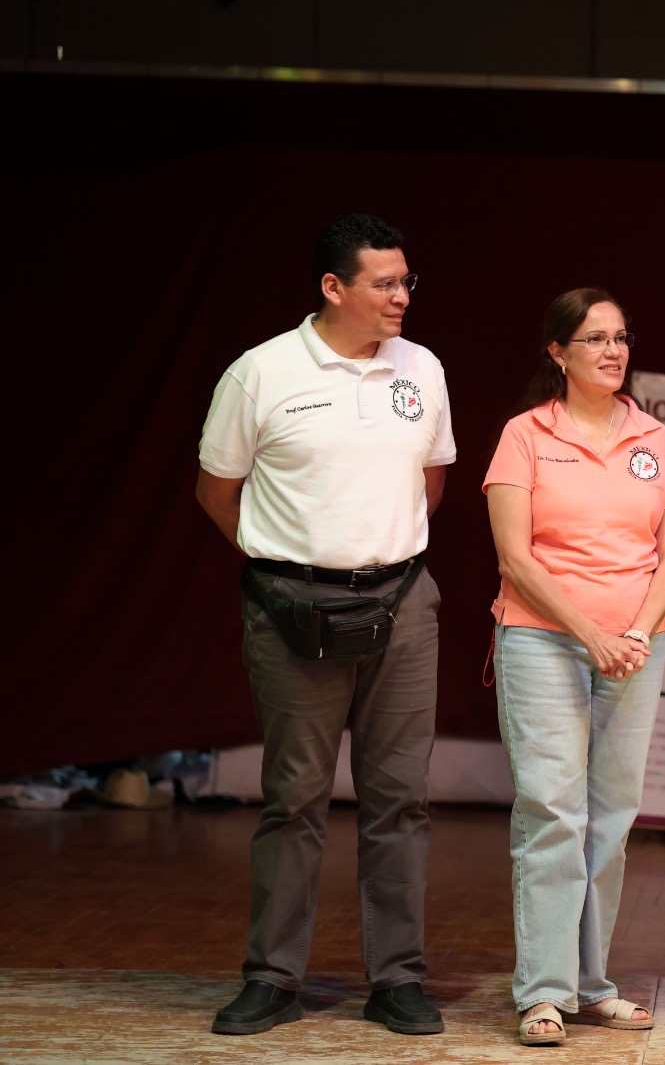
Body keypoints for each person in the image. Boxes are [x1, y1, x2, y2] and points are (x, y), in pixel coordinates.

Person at [197, 213, 455, 1036]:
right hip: (292, 610)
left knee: (401, 800)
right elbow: (217, 491)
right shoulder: (261, 373)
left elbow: (431, 483)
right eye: (384, 283)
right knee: (295, 799)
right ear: (333, 288)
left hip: (402, 603)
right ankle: (273, 978)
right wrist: (287, 565)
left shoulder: (422, 368)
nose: (402, 296)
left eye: (407, 281)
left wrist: (375, 555)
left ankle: (399, 979)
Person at [484, 287, 665, 1047]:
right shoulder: (525, 435)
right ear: (557, 352)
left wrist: (631, 633)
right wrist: (590, 633)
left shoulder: (654, 438)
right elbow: (516, 558)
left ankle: (591, 985)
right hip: (544, 640)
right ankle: (542, 992)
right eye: (596, 338)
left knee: (612, 817)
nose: (613, 351)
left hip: (635, 646)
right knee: (553, 813)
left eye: (621, 337)